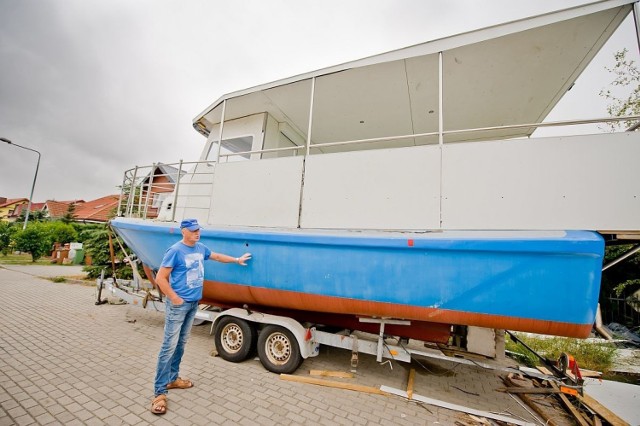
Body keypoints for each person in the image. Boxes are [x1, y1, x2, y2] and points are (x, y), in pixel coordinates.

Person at [150, 218, 251, 415]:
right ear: (183, 231)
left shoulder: (200, 248)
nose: (197, 233)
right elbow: (160, 278)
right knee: (168, 345)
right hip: (179, 305)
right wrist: (175, 298)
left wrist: (236, 260)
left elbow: (217, 257)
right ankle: (159, 393)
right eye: (193, 230)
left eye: (198, 230)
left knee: (181, 343)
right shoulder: (175, 251)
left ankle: (173, 378)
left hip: (193, 304)